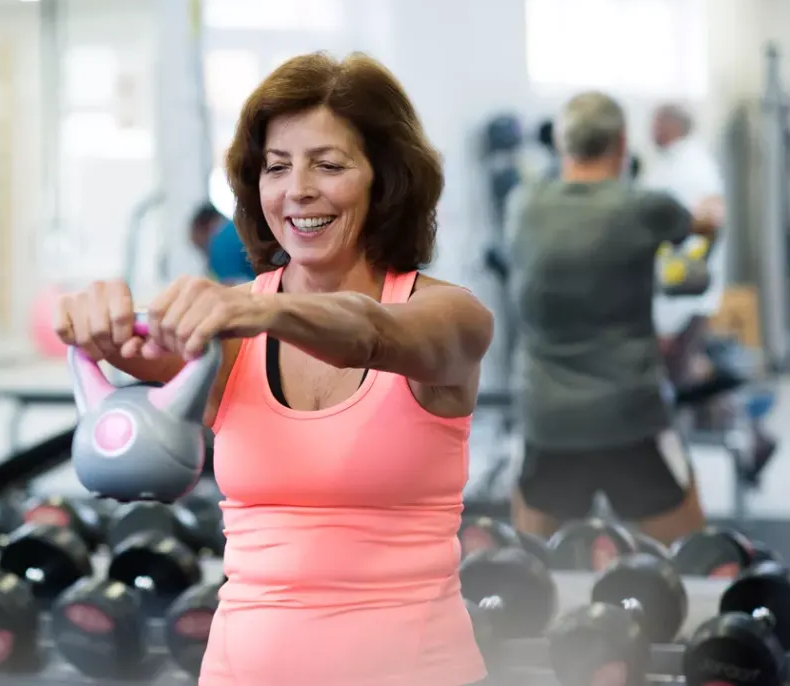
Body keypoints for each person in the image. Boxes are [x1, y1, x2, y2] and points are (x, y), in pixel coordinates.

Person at [55, 52, 494, 686]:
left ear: (386, 179)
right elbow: (134, 356)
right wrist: (97, 323)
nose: (298, 190)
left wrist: (261, 309)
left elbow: (372, 334)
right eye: (277, 167)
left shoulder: (448, 317)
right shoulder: (229, 338)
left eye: (329, 164)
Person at [506, 91, 722, 546]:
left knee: (529, 572)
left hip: (548, 421)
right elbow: (700, 227)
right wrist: (713, 219)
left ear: (562, 146)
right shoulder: (643, 206)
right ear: (623, 144)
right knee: (692, 563)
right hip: (630, 417)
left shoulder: (521, 205)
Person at [639, 103, 726, 386]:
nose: (651, 129)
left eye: (656, 122)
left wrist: (668, 319)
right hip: (672, 295)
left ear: (673, 125)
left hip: (682, 298)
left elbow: (701, 236)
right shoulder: (670, 164)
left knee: (681, 379)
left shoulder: (693, 168)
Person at [190, 202, 256, 285]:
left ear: (201, 229)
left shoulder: (220, 243)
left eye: (201, 248)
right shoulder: (239, 226)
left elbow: (229, 288)